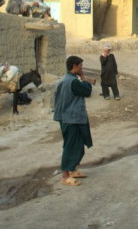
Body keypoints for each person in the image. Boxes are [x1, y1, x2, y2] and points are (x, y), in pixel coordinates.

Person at [53, 56, 93, 186]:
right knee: (70, 146)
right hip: (71, 119)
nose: (81, 69)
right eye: (80, 66)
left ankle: (72, 170)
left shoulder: (64, 80)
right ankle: (65, 175)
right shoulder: (73, 82)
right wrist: (83, 78)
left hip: (68, 117)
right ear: (74, 66)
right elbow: (87, 90)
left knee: (78, 144)